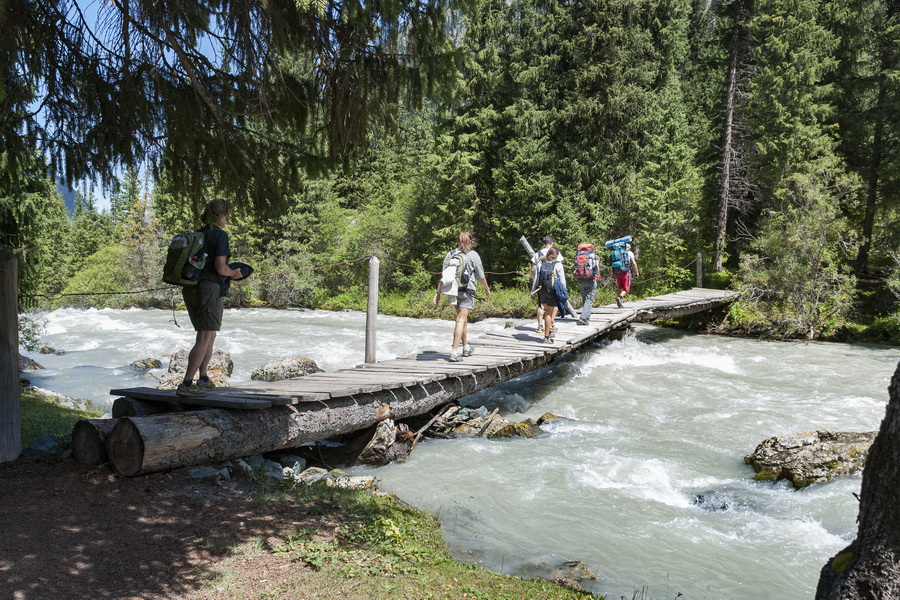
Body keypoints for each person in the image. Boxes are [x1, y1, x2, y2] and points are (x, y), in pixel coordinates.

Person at [177, 198, 242, 397]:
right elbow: (221, 268)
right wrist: (234, 273)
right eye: (226, 215)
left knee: (209, 334)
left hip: (191, 288)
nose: (227, 218)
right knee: (205, 336)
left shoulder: (199, 234)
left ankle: (203, 377)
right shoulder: (219, 235)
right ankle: (187, 383)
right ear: (221, 215)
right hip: (209, 289)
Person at [433, 231, 491, 362]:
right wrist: (487, 289)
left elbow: (444, 275)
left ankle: (466, 347)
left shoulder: (450, 254)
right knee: (460, 320)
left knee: (462, 318)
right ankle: (454, 351)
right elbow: (481, 276)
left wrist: (438, 293)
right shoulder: (473, 255)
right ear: (470, 241)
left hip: (453, 290)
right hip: (467, 290)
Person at [531, 247, 566, 343]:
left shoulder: (540, 263)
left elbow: (536, 280)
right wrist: (564, 295)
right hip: (552, 291)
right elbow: (563, 282)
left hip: (541, 291)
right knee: (549, 314)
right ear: (557, 256)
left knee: (546, 311)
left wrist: (532, 293)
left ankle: (548, 331)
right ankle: (546, 337)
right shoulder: (558, 265)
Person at [573, 244, 601, 325]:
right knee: (589, 298)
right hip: (590, 279)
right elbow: (596, 267)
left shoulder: (578, 255)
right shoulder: (594, 256)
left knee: (584, 297)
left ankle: (585, 314)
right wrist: (598, 276)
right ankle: (584, 318)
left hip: (580, 278)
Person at [614, 242, 639, 308]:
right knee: (626, 288)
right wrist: (637, 272)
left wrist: (612, 273)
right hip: (625, 272)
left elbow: (612, 265)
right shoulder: (630, 253)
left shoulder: (616, 253)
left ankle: (619, 304)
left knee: (620, 287)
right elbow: (634, 263)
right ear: (629, 248)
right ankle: (619, 298)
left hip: (617, 272)